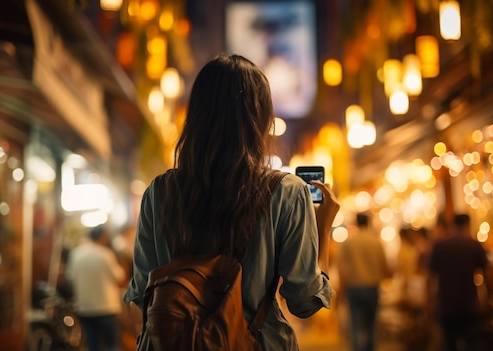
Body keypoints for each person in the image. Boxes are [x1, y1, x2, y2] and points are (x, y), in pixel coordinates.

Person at [123, 54, 340, 350]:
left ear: (196, 116)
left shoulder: (158, 192)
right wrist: (322, 227)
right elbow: (305, 302)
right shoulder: (287, 192)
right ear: (261, 120)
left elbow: (142, 295)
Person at [428, 214, 488, 351]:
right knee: (471, 343)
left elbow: (431, 276)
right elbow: (485, 275)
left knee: (448, 343)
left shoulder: (440, 245)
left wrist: (430, 299)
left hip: (446, 304)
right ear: (467, 224)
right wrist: (485, 299)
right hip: (468, 303)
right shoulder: (474, 245)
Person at [65, 225, 126, 351]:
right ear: (102, 236)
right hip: (106, 306)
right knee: (111, 344)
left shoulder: (76, 254)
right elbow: (119, 276)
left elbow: (70, 277)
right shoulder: (106, 254)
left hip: (85, 306)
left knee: (92, 343)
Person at [337, 213, 390, 351]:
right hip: (372, 286)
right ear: (369, 222)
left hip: (354, 287)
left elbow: (341, 267)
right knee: (372, 324)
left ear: (356, 223)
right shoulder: (376, 241)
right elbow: (384, 266)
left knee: (355, 324)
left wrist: (342, 289)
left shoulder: (349, 242)